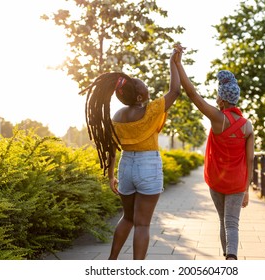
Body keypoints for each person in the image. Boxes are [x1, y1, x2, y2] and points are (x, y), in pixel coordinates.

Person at [79, 46, 181, 260]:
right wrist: (173, 62)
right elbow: (175, 91)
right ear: (138, 98)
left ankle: (111, 261)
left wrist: (110, 176)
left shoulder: (116, 116)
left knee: (127, 218)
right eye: (143, 88)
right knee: (142, 223)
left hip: (126, 167)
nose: (146, 87)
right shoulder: (151, 111)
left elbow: (111, 148)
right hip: (148, 167)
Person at [173, 44, 254, 260]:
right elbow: (251, 159)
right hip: (238, 182)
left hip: (218, 181)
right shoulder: (248, 126)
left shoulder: (218, 118)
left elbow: (192, 94)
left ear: (221, 99)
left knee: (223, 221)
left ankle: (227, 259)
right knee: (232, 223)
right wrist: (247, 189)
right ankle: (232, 259)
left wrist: (178, 64)